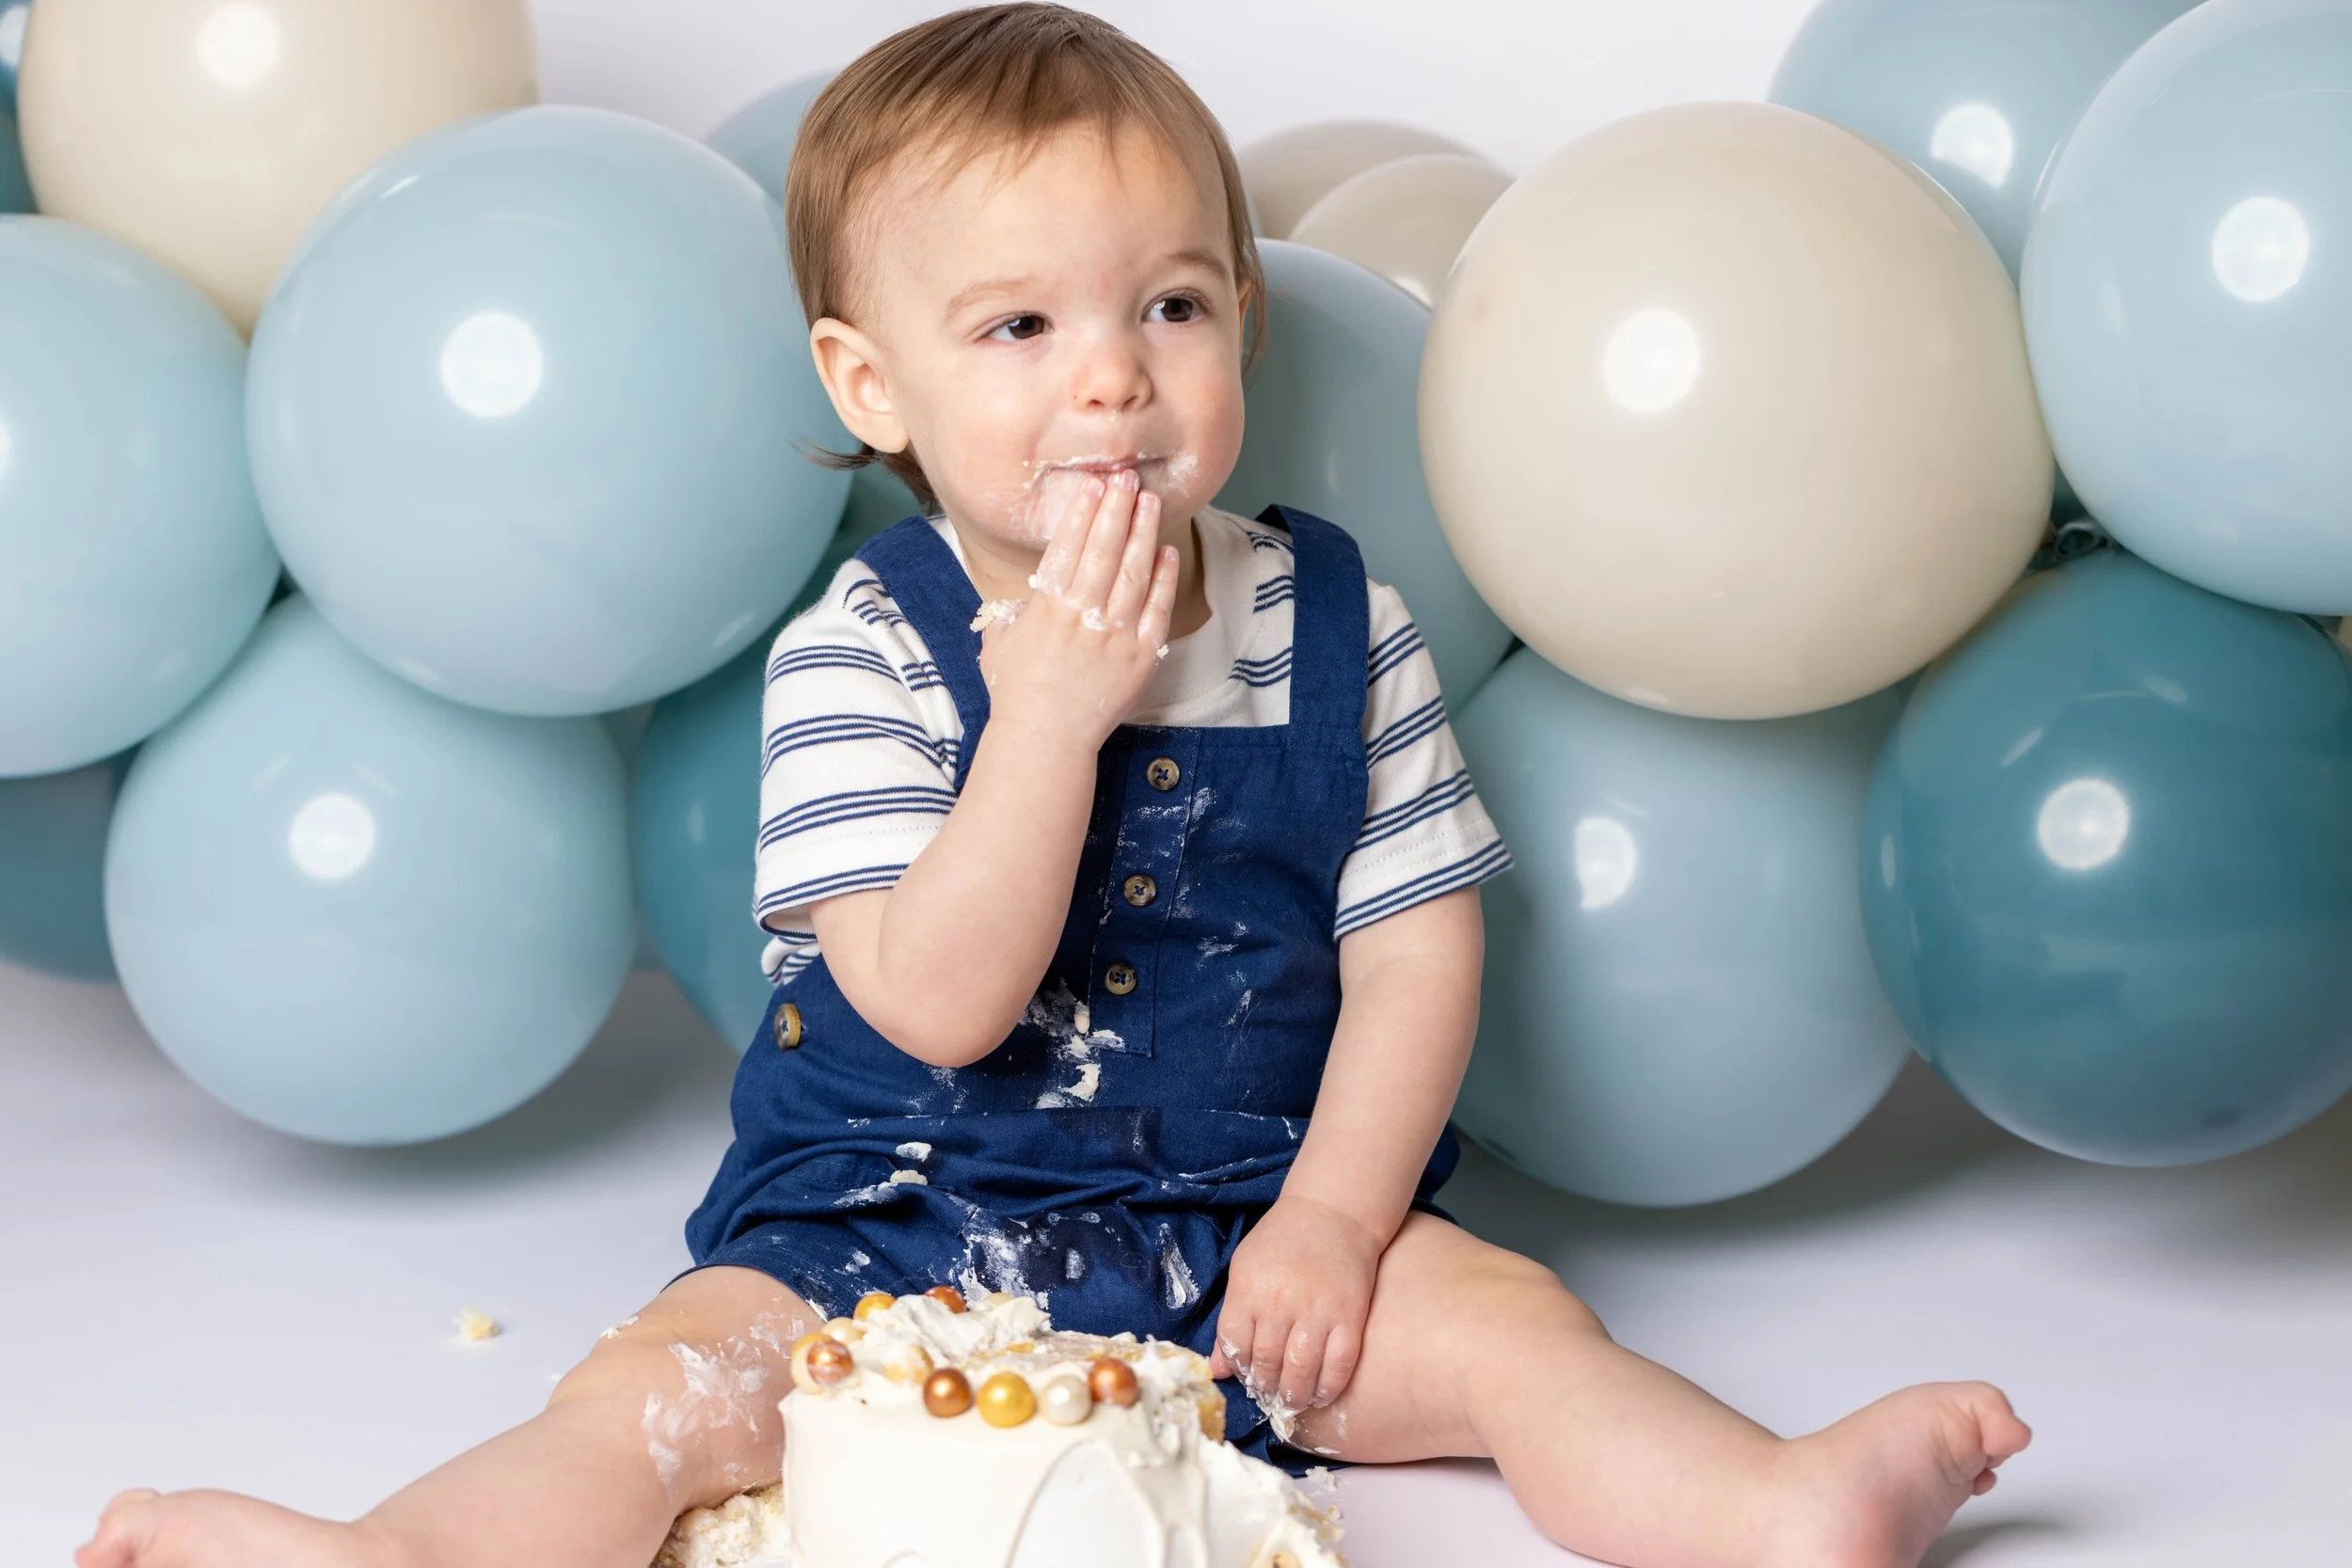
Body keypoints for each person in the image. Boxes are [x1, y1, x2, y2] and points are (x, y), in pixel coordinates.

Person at [75, 8, 2028, 1567]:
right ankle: (400, 1547)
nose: (1109, 379)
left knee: (1517, 1329)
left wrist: (1337, 1225)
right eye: (1017, 327)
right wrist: (1047, 718)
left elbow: (1416, 953)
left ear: (1241, 321)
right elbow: (932, 997)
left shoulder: (1333, 620)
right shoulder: (857, 650)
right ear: (871, 386)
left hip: (1250, 1217)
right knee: (654, 1402)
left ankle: (1765, 1508)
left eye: (1168, 305)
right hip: (885, 1222)